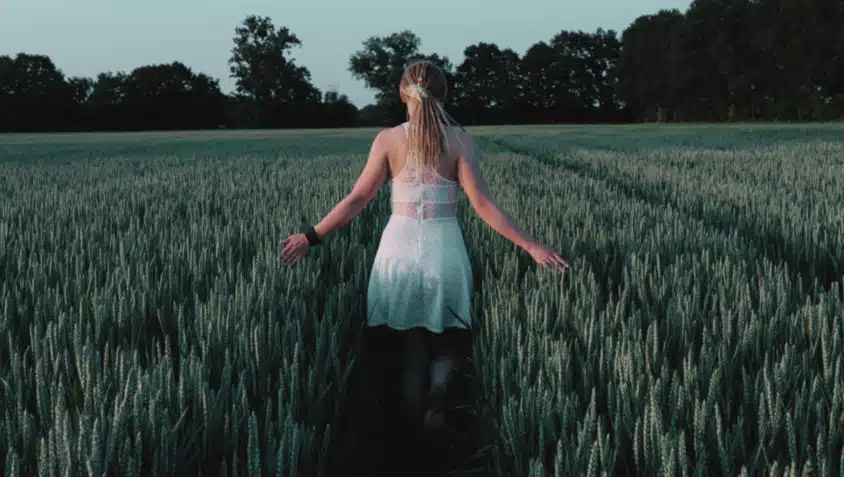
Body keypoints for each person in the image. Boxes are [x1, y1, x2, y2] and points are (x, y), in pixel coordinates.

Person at [280, 59, 568, 476]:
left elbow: (357, 199)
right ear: (445, 94)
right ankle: (438, 423)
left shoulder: (387, 140)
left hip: (397, 251)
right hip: (443, 251)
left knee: (407, 346)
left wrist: (310, 236)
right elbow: (482, 205)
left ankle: (405, 445)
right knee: (447, 341)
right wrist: (532, 246)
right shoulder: (460, 142)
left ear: (402, 94)